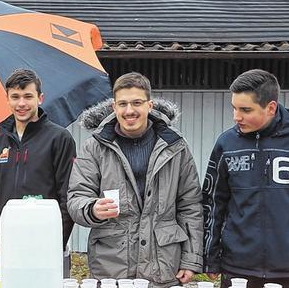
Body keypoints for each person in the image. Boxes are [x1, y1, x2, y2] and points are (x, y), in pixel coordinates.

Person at [67, 72, 203, 287]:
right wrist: (92, 208)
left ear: (150, 105)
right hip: (111, 268)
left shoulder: (175, 146)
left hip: (163, 265)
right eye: (122, 104)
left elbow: (190, 205)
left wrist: (191, 259)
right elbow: (76, 197)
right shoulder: (94, 147)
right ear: (114, 107)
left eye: (137, 103)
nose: (129, 111)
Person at [203, 69, 289, 288]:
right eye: (234, 108)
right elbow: (213, 204)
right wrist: (211, 259)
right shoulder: (226, 144)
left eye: (245, 110)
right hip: (237, 270)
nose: (236, 117)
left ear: (271, 107)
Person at [0, 68, 76, 279]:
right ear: (7, 99)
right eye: (15, 97)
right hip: (6, 246)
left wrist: (55, 242)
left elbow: (67, 196)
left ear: (40, 98)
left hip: (46, 245)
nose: (21, 103)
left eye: (28, 96)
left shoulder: (59, 138)